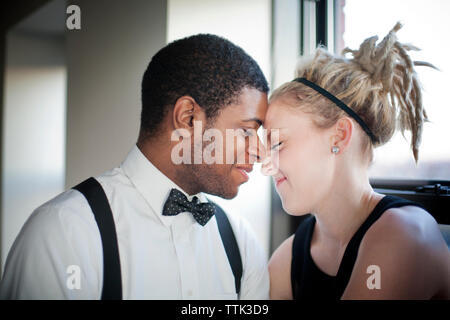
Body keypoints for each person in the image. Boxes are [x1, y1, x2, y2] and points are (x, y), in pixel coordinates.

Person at [0, 34, 270, 299]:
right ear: (188, 119)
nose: (259, 152)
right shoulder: (63, 234)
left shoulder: (241, 242)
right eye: (247, 131)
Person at [264, 23, 450, 299]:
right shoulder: (285, 261)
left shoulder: (403, 236)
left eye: (278, 144)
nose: (267, 164)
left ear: (339, 135)